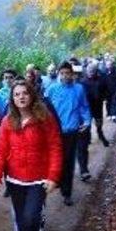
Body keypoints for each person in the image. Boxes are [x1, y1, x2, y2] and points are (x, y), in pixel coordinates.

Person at [0, 81, 62, 231]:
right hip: (15, 180)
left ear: (32, 96)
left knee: (32, 219)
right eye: (17, 94)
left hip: (38, 180)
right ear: (12, 99)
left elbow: (55, 147)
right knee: (21, 220)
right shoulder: (7, 121)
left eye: (24, 93)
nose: (21, 97)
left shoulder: (44, 118)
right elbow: (0, 149)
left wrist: (53, 176)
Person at [45, 61, 91, 205]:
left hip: (71, 131)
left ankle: (67, 192)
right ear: (59, 74)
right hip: (54, 132)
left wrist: (87, 121)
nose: (65, 76)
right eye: (62, 73)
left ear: (72, 74)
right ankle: (57, 179)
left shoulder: (79, 89)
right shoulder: (52, 89)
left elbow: (84, 107)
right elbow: (45, 109)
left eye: (68, 73)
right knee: (55, 159)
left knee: (69, 161)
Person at [77, 59, 110, 181]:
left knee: (99, 123)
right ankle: (89, 137)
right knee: (87, 127)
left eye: (93, 71)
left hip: (98, 106)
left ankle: (101, 134)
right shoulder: (82, 82)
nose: (90, 72)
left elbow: (107, 90)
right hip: (87, 108)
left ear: (96, 71)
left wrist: (104, 97)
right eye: (89, 70)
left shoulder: (101, 79)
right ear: (86, 71)